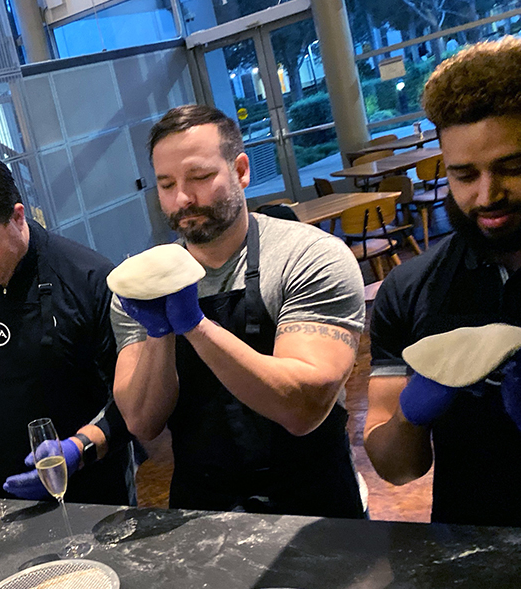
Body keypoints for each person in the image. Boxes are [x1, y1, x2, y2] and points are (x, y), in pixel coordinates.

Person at [113, 105, 367, 517]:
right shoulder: (144, 284)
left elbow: (302, 408)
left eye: (199, 177)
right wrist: (159, 335)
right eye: (166, 184)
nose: (182, 198)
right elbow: (142, 421)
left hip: (313, 503)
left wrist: (195, 326)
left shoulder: (308, 257)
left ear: (241, 171)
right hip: (203, 507)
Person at [365, 37, 521, 528]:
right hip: (467, 556)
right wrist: (412, 414)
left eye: (513, 168)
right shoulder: (410, 290)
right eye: (463, 175)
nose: (487, 195)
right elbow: (398, 469)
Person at [0, 150, 131, 504]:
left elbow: (127, 402)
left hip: (91, 489)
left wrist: (79, 451)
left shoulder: (87, 277)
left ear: (17, 217)